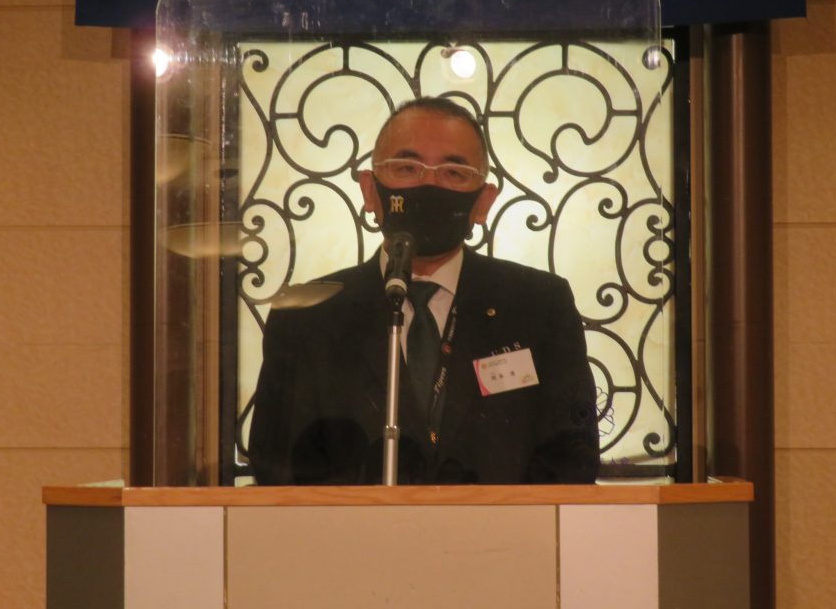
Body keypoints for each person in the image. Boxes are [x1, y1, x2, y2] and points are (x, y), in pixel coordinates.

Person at [248, 98, 600, 485]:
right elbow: (276, 471)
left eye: (454, 172)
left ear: (483, 202)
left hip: (506, 524)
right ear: (370, 190)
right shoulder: (307, 314)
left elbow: (572, 460)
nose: (429, 185)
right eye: (407, 168)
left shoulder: (539, 307)